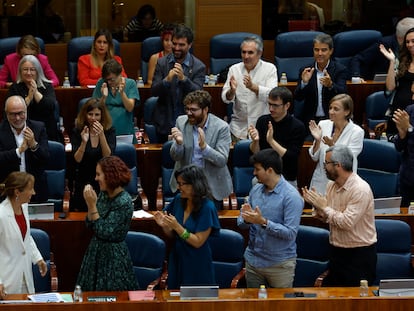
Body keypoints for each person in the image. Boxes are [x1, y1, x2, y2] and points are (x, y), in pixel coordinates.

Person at [302, 145, 377, 286]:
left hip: (359, 255)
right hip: (337, 252)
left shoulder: (360, 189)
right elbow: (329, 217)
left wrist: (324, 206)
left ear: (338, 165)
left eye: (326, 163)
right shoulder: (331, 185)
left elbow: (346, 223)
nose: (324, 167)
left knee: (356, 301)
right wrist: (317, 207)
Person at [237, 148, 304, 288]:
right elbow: (241, 221)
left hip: (279, 265)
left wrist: (263, 222)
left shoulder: (291, 197)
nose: (254, 173)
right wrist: (247, 219)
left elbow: (290, 233)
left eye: (257, 169)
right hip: (253, 261)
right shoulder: (255, 189)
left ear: (270, 170)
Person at [154, 164, 220, 289]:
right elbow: (172, 235)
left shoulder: (207, 207)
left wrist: (177, 227)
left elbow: (198, 242)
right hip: (177, 258)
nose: (179, 187)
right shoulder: (178, 200)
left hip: (197, 262)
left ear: (194, 184)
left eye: (181, 184)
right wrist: (164, 226)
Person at [76, 156, 138, 291]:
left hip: (113, 259)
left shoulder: (124, 201)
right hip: (95, 253)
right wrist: (90, 205)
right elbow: (89, 224)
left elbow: (104, 232)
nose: (96, 178)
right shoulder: (104, 194)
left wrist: (92, 205)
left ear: (110, 175)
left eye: (99, 174)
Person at [169, 90, 233, 208]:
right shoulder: (181, 122)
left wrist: (205, 148)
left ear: (205, 110)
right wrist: (178, 144)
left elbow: (222, 160)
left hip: (211, 186)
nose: (189, 113)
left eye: (193, 110)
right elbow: (175, 157)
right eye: (187, 109)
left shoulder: (221, 127)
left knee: (209, 224)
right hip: (186, 183)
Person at [151, 24, 206, 143]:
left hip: (189, 123)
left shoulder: (198, 67)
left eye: (181, 45)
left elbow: (199, 96)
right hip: (164, 124)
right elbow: (154, 91)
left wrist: (184, 79)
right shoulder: (162, 63)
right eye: (174, 43)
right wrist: (166, 80)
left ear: (190, 45)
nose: (176, 48)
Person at [221, 36, 278, 141]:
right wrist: (232, 91)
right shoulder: (234, 69)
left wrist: (253, 87)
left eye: (250, 52)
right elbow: (226, 98)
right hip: (238, 129)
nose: (246, 56)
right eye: (243, 52)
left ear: (260, 53)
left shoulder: (270, 69)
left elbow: (273, 95)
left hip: (262, 128)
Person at [0, 172, 48, 296]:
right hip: (7, 280)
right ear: (17, 192)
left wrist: (38, 258)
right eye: (30, 189)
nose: (34, 192)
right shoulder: (1, 214)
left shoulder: (24, 207)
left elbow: (25, 237)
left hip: (26, 277)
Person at [248, 86, 306, 188]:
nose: (271, 109)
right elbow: (256, 154)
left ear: (287, 105)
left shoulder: (298, 126)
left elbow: (291, 157)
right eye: (269, 104)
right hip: (263, 177)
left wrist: (271, 141)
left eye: (275, 105)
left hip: (286, 178)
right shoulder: (262, 121)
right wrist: (255, 141)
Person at [308, 94, 364, 195]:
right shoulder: (323, 124)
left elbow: (348, 159)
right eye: (330, 108)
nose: (331, 112)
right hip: (321, 183)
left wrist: (332, 146)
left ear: (347, 112)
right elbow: (314, 158)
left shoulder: (357, 132)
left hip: (343, 184)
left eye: (336, 109)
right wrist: (317, 140)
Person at [0, 96, 49, 203]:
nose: (17, 118)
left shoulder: (38, 128)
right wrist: (18, 151)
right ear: (6, 114)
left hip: (36, 189)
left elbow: (46, 158)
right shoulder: (1, 131)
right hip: (8, 190)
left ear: (26, 111)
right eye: (13, 114)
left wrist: (34, 145)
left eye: (20, 113)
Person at [294, 33, 347, 131]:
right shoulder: (306, 70)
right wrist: (304, 83)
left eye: (324, 50)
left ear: (331, 51)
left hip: (332, 120)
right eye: (316, 50)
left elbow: (343, 94)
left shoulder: (340, 70)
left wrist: (331, 85)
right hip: (310, 121)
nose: (320, 53)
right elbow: (298, 97)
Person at [70, 98, 116, 212]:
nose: (93, 118)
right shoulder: (78, 130)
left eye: (97, 115)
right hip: (83, 179)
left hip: (103, 180)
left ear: (102, 116)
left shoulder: (109, 131)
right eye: (90, 114)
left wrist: (101, 136)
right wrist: (84, 142)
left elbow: (107, 157)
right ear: (85, 114)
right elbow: (77, 159)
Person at [7, 55, 60, 141]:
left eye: (32, 69)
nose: (28, 73)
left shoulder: (47, 86)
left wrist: (35, 92)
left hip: (46, 129)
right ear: (20, 71)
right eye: (25, 69)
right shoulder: (15, 88)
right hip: (22, 128)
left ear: (38, 71)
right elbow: (12, 110)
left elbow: (50, 107)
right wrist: (28, 97)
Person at [93, 59, 139, 142]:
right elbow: (96, 109)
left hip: (125, 132)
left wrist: (122, 93)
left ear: (120, 74)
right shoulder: (101, 83)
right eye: (107, 80)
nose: (109, 82)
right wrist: (103, 97)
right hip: (105, 132)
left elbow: (130, 108)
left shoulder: (131, 83)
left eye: (112, 79)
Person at [380, 27, 414, 137]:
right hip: (398, 110)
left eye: (413, 41)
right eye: (407, 42)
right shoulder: (402, 61)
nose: (409, 44)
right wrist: (392, 61)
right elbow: (390, 87)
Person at [392, 107, 414, 207]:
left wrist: (409, 128)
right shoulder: (409, 111)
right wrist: (402, 134)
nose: (412, 97)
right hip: (407, 178)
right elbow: (399, 147)